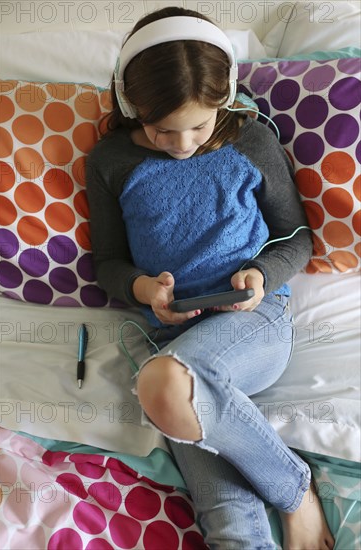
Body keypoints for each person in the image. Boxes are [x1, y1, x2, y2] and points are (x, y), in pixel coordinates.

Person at [86, 6, 335, 549]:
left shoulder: (251, 142)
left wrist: (261, 274)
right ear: (132, 106)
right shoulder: (110, 160)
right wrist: (143, 289)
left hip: (255, 321)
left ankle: (295, 490)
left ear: (224, 98)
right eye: (162, 130)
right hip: (173, 334)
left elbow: (297, 238)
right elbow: (106, 262)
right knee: (225, 518)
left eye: (198, 126)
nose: (183, 144)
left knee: (163, 382)